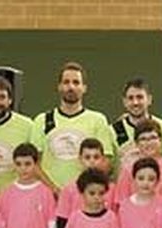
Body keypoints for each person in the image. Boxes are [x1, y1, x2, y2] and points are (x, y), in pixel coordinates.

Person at [30, 62, 117, 190]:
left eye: (76, 82)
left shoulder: (98, 120)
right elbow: (34, 163)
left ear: (84, 87)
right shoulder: (41, 120)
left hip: (85, 196)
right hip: (51, 197)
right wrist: (54, 191)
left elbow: (106, 161)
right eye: (66, 82)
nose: (71, 87)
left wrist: (84, 189)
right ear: (59, 87)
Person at [110, 78, 162, 161]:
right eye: (130, 98)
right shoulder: (112, 131)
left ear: (149, 100)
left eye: (140, 97)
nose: (135, 102)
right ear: (124, 102)